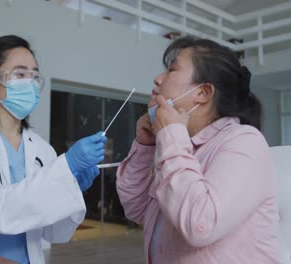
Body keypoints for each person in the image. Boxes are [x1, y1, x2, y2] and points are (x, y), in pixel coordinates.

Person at [0, 35, 107, 264]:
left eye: (35, 75)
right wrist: (64, 168)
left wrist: (69, 188)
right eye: (20, 74)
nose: (30, 83)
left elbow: (52, 233)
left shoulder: (42, 149)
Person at [116, 37, 279, 263]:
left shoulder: (244, 141)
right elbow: (136, 208)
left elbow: (200, 224)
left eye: (171, 70)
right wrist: (145, 146)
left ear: (202, 92)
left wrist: (171, 136)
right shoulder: (183, 147)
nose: (157, 79)